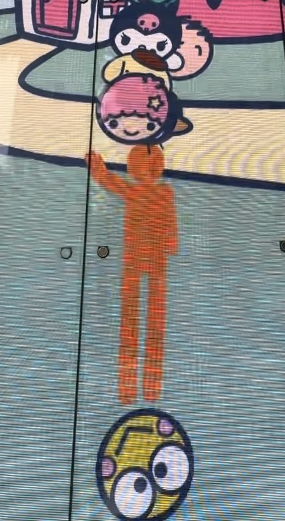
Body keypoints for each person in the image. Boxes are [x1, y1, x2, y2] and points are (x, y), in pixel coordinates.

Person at [87, 145, 177, 404]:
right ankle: (149, 390)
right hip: (154, 262)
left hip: (136, 261)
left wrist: (95, 164)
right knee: (152, 324)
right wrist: (170, 244)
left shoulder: (134, 190)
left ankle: (129, 391)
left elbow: (106, 179)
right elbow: (171, 228)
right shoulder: (162, 192)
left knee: (132, 323)